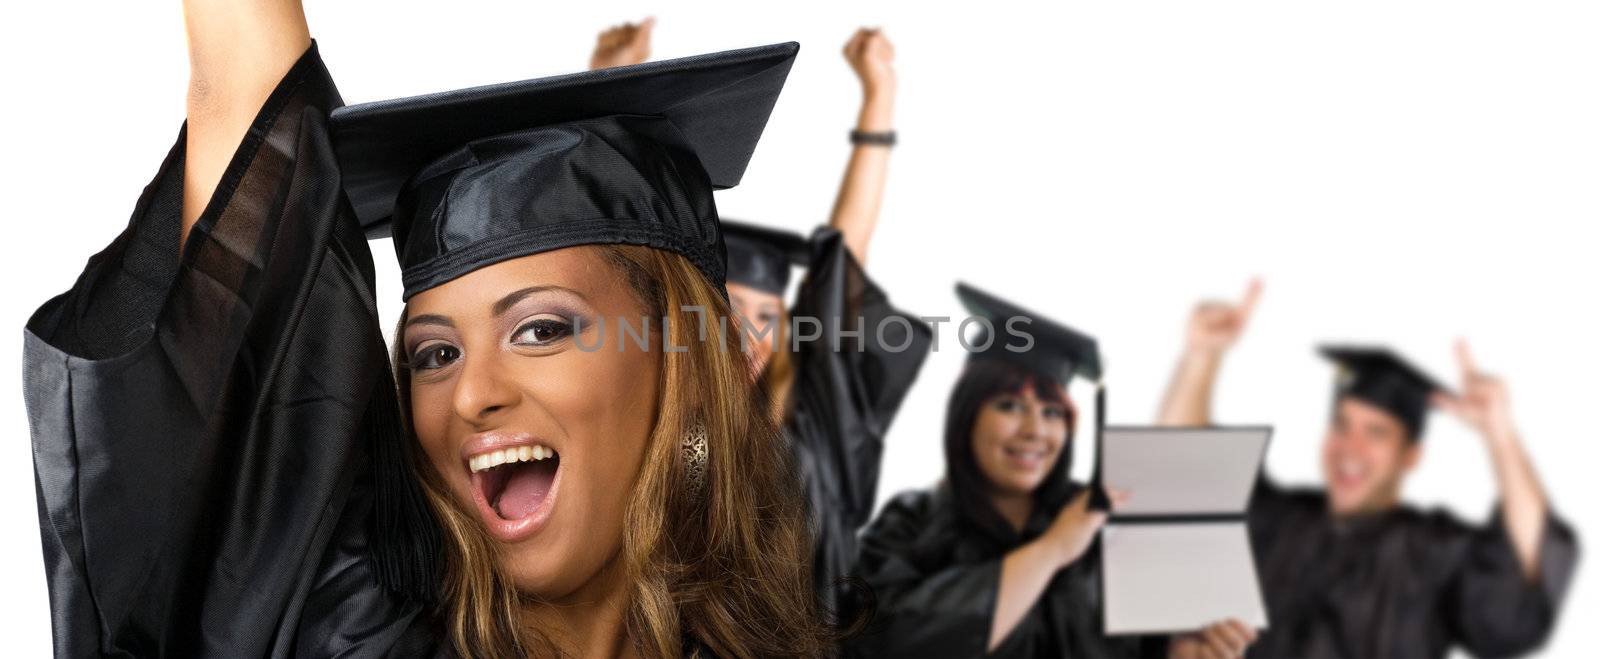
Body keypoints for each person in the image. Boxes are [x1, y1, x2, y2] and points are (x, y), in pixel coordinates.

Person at [24, 2, 827, 656]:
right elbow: (248, 103)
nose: (471, 394)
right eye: (434, 353)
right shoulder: (351, 631)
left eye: (540, 330)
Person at [589, 22, 932, 622]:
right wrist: (603, 93)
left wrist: (879, 97)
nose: (747, 333)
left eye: (767, 315)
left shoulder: (815, 430)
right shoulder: (649, 433)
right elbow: (598, 251)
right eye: (727, 313)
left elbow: (842, 264)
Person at [1156, 281, 1580, 658]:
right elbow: (1183, 471)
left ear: (1410, 456)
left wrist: (1500, 434)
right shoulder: (1280, 518)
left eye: (1376, 433)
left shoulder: (1430, 548)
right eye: (1342, 425)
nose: (1350, 448)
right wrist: (1201, 356)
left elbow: (1524, 581)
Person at [846, 283, 1254, 658]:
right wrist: (1053, 550)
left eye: (1052, 411)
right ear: (967, 415)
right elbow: (887, 641)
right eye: (1009, 405)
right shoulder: (911, 523)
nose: (1035, 431)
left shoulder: (1102, 527)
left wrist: (1177, 653)